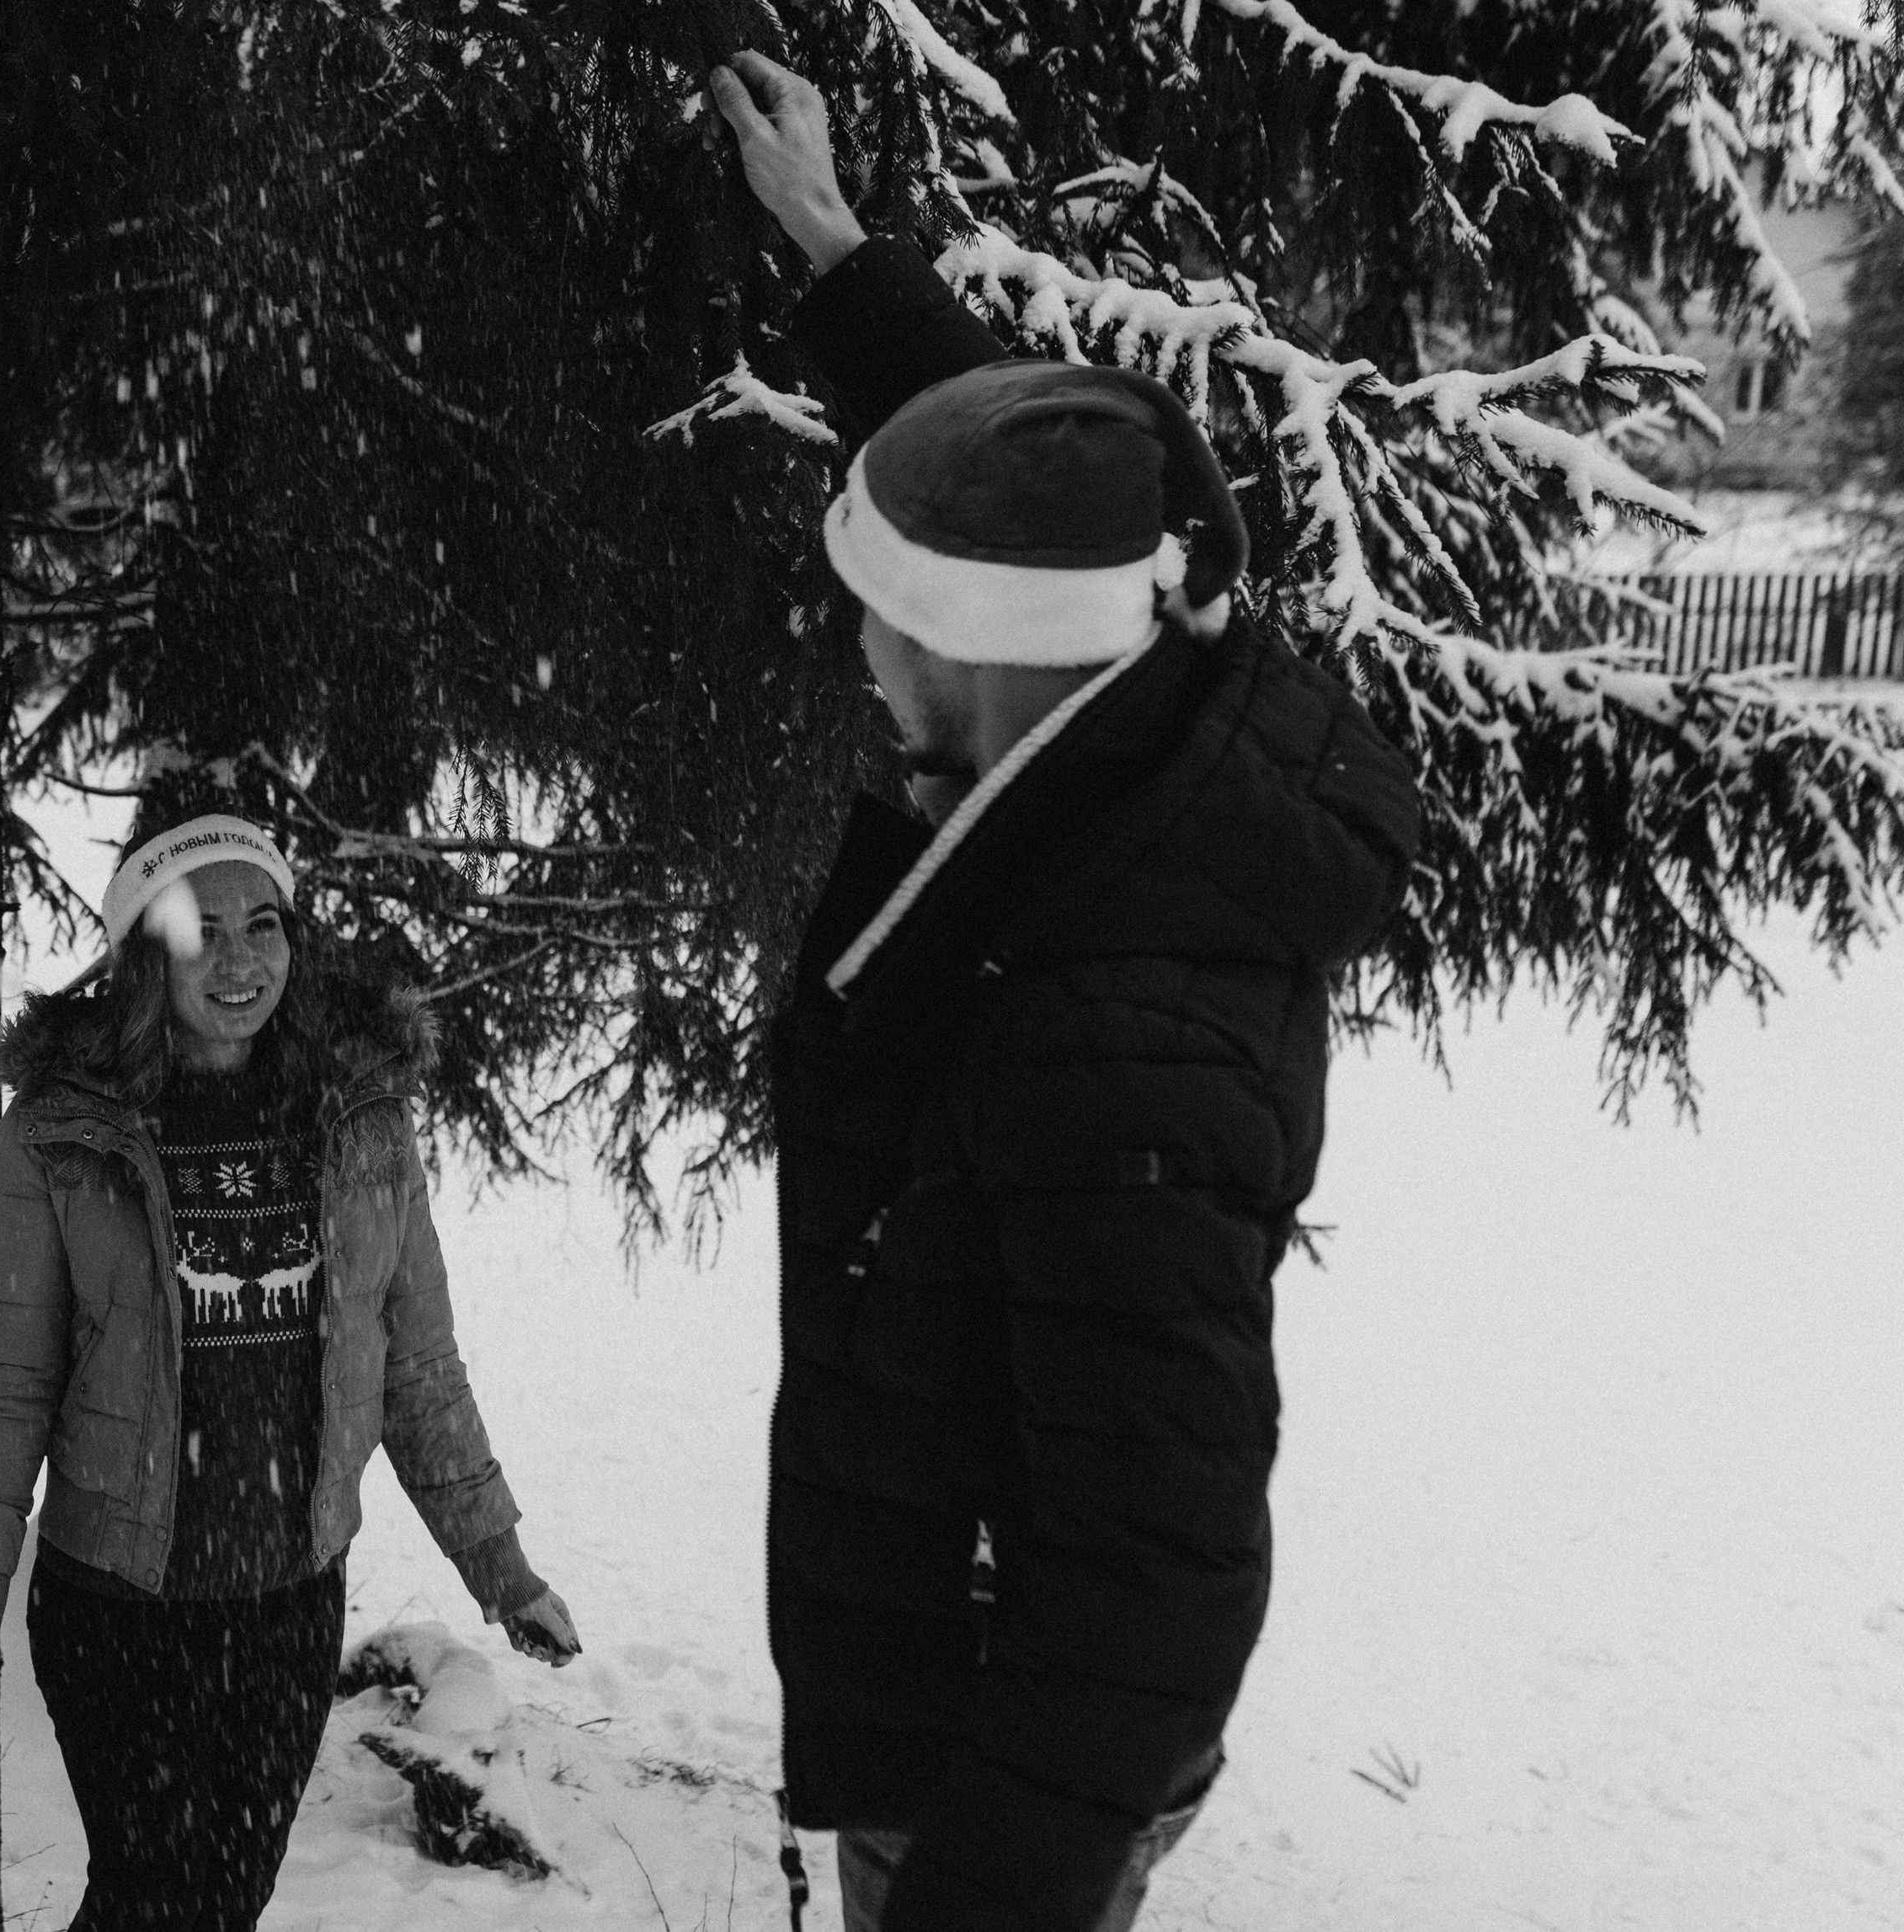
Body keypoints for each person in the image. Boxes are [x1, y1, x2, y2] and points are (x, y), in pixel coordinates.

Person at [709, 53, 1424, 1932]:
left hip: (991, 1756)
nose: (856, 656)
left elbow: (1154, 1583)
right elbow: (1034, 478)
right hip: (959, 1673)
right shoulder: (1117, 736)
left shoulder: (1117, 1034)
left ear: (981, 656)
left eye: (885, 621)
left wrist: (979, 1894)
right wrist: (835, 242)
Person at [0, 810, 581, 1931]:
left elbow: (417, 1368)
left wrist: (501, 1568)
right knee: (155, 1901)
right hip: (119, 1608)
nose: (239, 960)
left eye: (263, 924)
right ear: (143, 953)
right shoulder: (61, 1135)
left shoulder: (364, 1117)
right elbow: (4, 1391)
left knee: (219, 1903)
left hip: (286, 1606)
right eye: (202, 930)